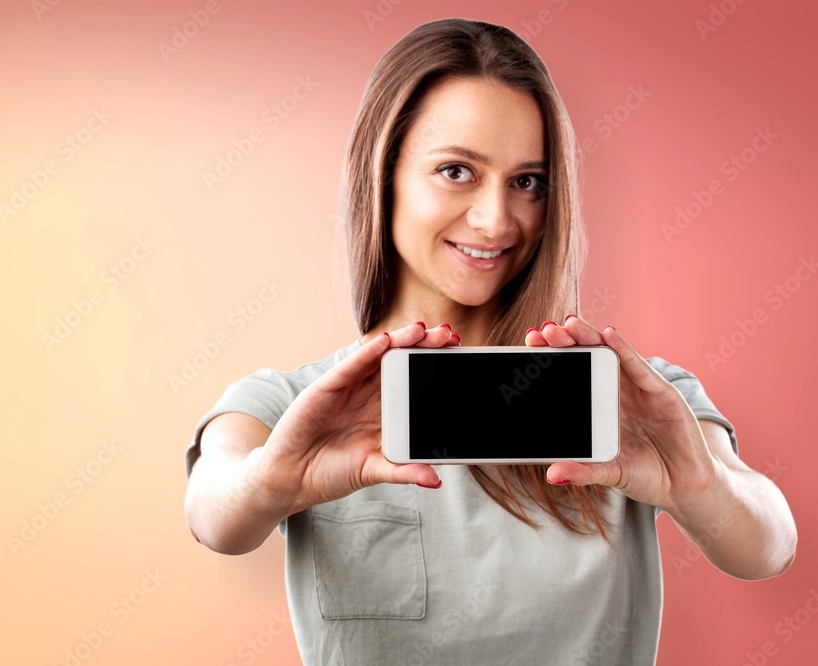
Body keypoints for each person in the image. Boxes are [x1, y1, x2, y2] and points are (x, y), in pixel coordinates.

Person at [183, 18, 796, 665]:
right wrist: (272, 482)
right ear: (383, 173)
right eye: (456, 171)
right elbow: (215, 513)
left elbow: (769, 543)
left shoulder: (625, 400)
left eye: (528, 181)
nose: (497, 220)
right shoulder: (288, 403)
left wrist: (695, 485)